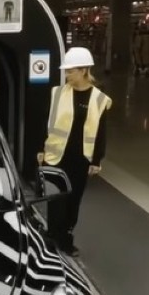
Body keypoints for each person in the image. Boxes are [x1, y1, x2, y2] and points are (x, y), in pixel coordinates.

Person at [35, 46, 111, 256]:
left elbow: (101, 131)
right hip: (55, 155)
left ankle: (65, 238)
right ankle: (52, 236)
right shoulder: (58, 93)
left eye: (70, 71)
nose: (67, 75)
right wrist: (40, 147)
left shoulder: (99, 99)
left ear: (84, 70)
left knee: (73, 200)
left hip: (80, 158)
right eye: (66, 71)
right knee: (55, 199)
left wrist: (96, 160)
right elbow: (45, 122)